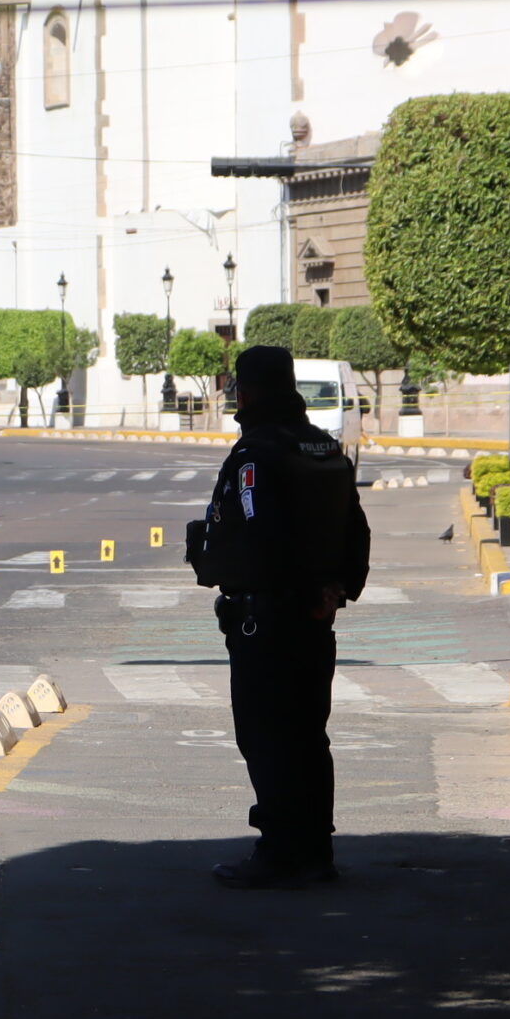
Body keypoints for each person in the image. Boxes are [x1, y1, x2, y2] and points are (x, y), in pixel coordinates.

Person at [192, 344, 371, 889]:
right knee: (309, 736)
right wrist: (335, 590)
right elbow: (356, 529)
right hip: (316, 618)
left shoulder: (255, 454)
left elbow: (260, 530)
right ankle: (316, 852)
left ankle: (278, 853)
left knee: (267, 736)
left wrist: (214, 557)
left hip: (266, 618)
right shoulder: (323, 446)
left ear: (245, 393)